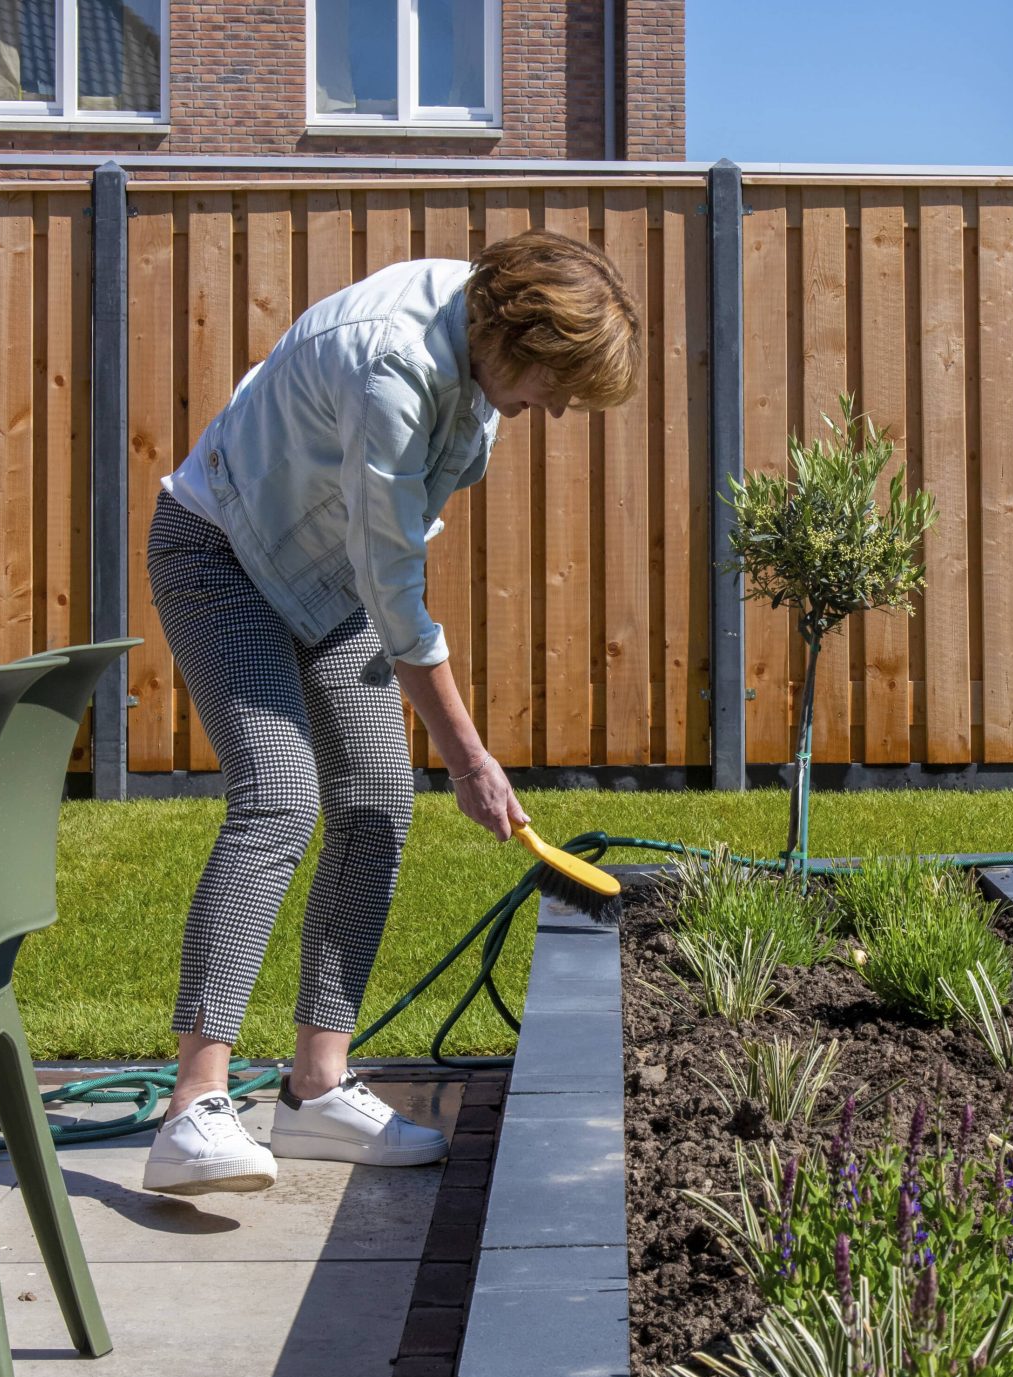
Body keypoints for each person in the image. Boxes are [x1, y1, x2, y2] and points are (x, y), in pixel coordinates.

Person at [138, 231, 641, 1196]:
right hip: (220, 550)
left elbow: (388, 553)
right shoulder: (395, 362)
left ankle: (315, 1090)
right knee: (279, 796)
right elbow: (396, 582)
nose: (563, 406)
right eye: (561, 380)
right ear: (518, 335)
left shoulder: (479, 381)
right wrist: (468, 754)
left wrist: (445, 742)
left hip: (327, 580)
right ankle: (192, 1108)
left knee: (373, 801)